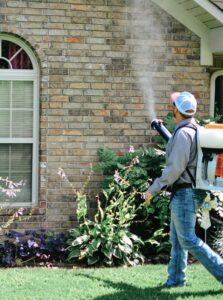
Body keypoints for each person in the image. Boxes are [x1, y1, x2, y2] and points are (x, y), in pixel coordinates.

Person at [144, 91, 223, 287]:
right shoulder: (195, 129)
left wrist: (152, 189)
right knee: (178, 239)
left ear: (175, 110)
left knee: (187, 239)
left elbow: (174, 169)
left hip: (185, 192)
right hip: (192, 190)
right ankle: (176, 280)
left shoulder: (183, 133)